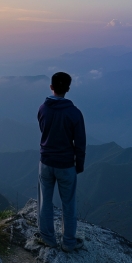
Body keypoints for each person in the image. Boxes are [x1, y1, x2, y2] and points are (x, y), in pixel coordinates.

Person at [35, 72, 86, 252]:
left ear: (52, 87)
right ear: (68, 89)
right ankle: (69, 242)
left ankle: (48, 239)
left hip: (46, 162)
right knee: (69, 204)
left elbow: (44, 130)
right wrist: (78, 165)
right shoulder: (75, 113)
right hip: (66, 165)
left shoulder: (42, 109)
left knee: (45, 201)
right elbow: (80, 143)